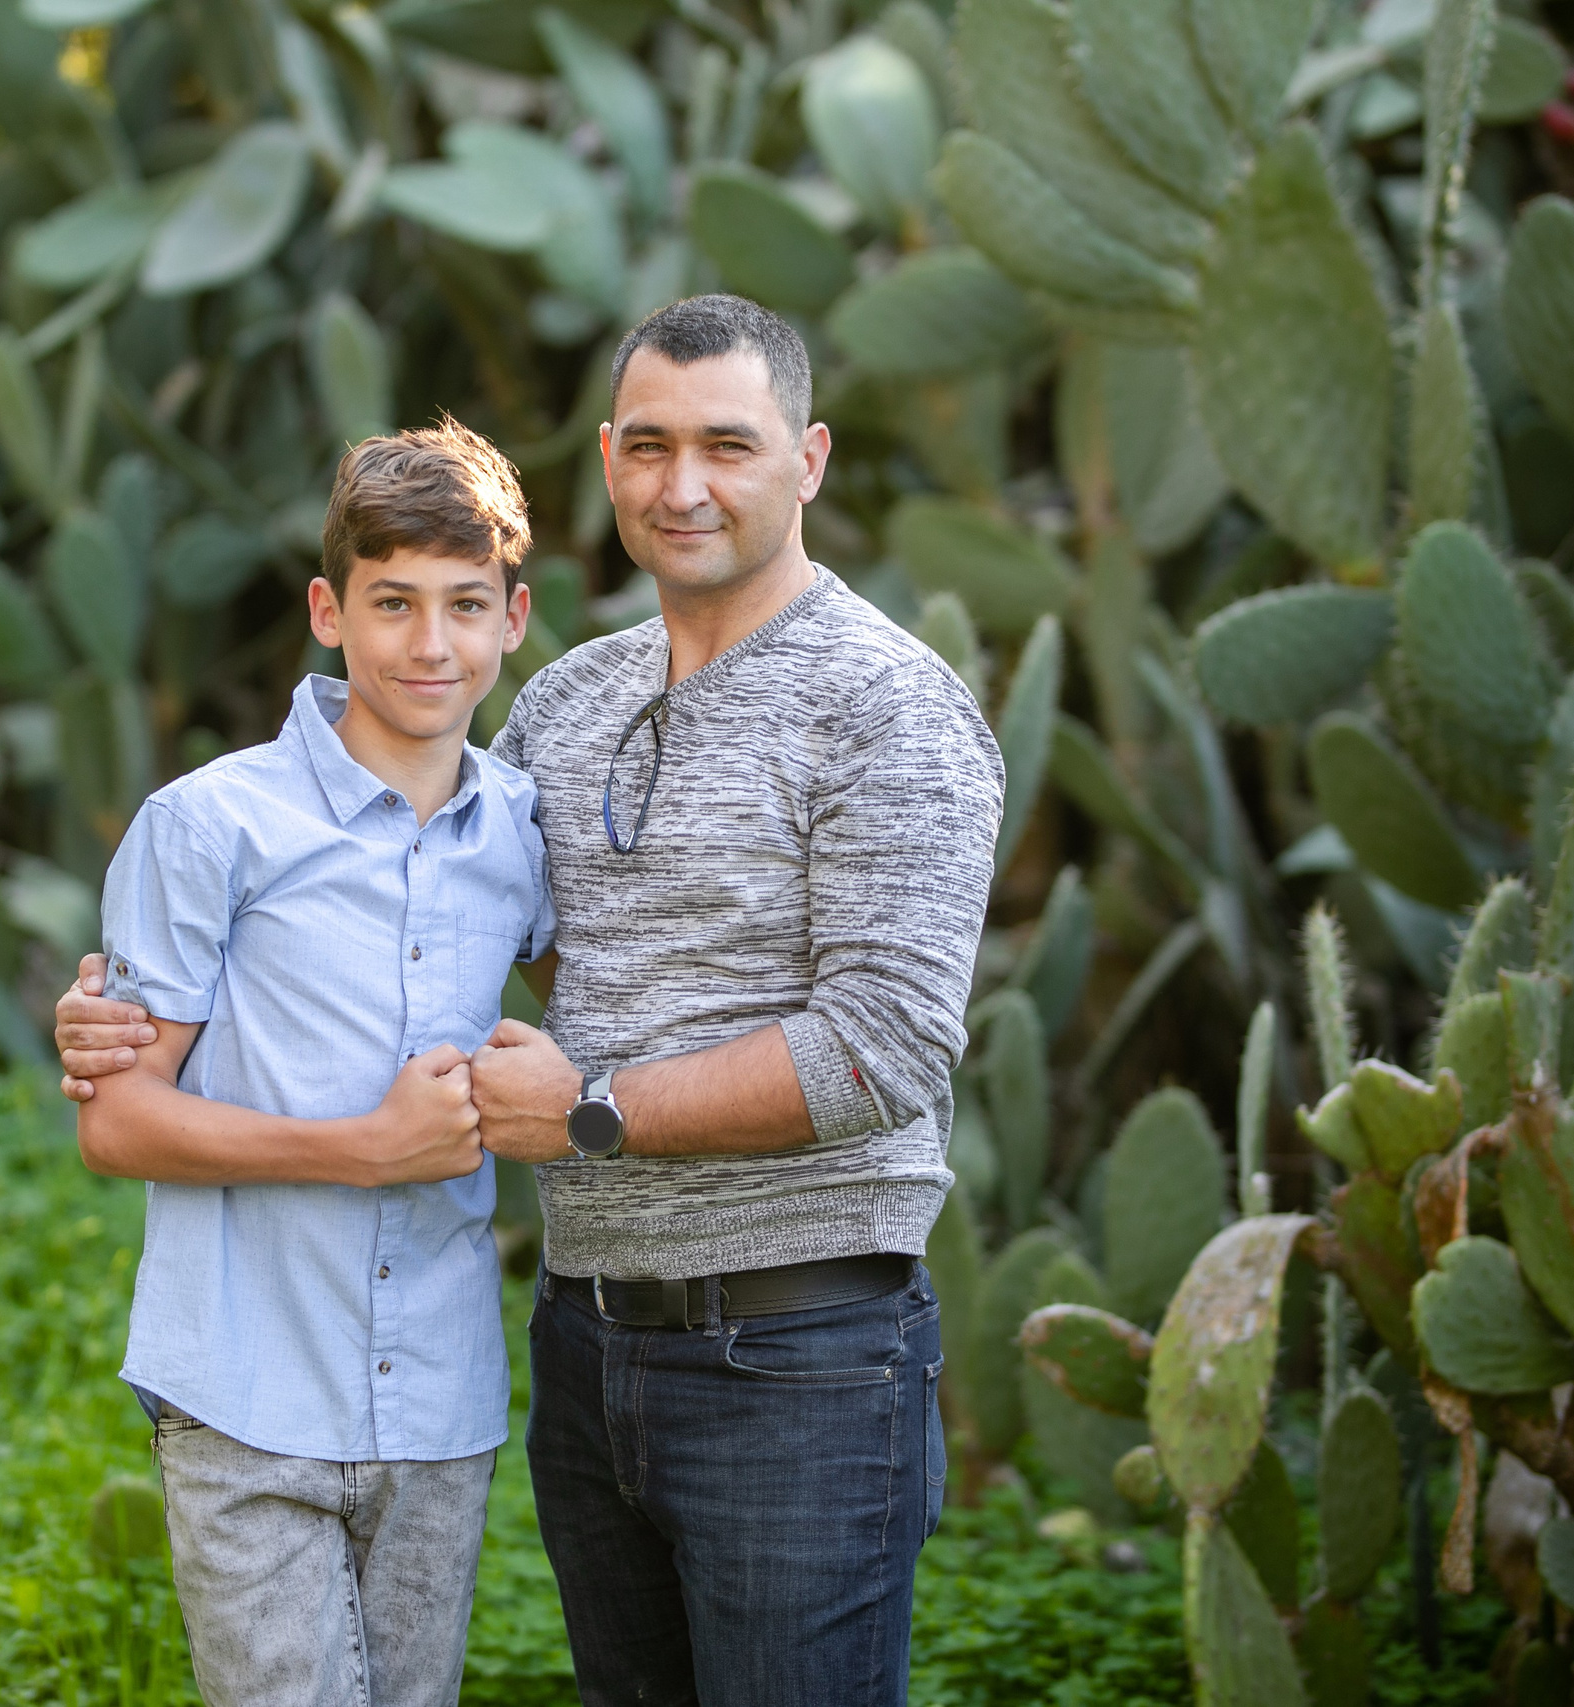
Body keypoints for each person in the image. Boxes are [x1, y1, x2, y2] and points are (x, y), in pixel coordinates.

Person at [63, 295, 1002, 1706]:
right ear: (608, 461)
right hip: (588, 1345)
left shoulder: (890, 707)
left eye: (729, 445)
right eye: (650, 445)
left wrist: (592, 1112)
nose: (684, 486)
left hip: (798, 1355)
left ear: (807, 461)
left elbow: (889, 1045)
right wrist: (120, 1007)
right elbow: (474, 933)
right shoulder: (563, 707)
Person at [70, 418, 553, 1707]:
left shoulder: (523, 832)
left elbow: (606, 1015)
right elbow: (116, 1124)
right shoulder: (208, 825)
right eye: (393, 602)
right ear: (329, 612)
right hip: (247, 1389)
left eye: (465, 605)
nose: (431, 642)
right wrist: (363, 1151)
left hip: (439, 1402)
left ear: (513, 618)